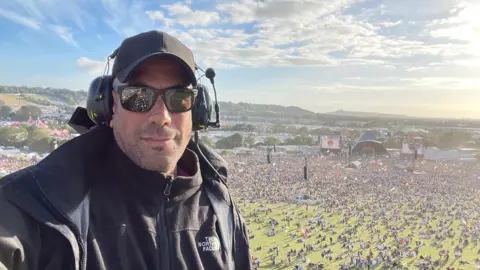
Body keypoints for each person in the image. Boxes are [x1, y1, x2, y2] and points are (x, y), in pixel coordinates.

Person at [0, 30, 252, 270]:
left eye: (178, 98)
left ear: (196, 112)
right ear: (110, 107)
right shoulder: (42, 202)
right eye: (139, 96)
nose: (161, 117)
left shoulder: (221, 206)